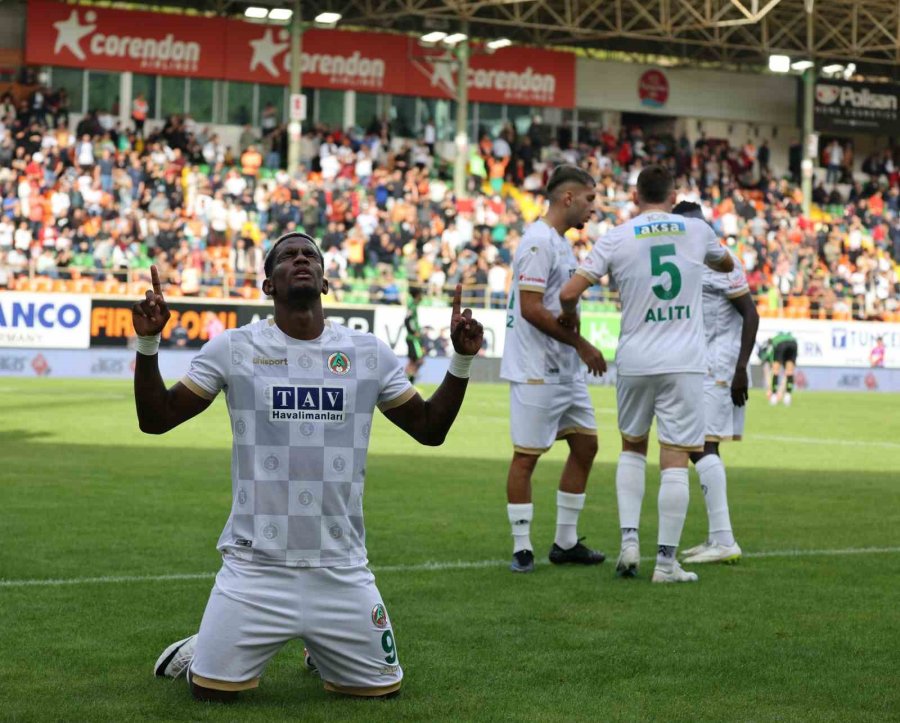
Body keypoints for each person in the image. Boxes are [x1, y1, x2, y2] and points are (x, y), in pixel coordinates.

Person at [134, 232, 483, 702]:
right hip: (256, 568)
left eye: (310, 255)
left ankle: (324, 643)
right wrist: (149, 340)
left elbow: (429, 428)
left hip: (339, 567)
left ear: (324, 281)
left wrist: (461, 360)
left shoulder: (367, 353)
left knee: (381, 692)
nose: (301, 259)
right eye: (287, 256)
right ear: (268, 285)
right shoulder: (234, 348)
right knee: (214, 694)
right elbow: (156, 419)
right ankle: (203, 646)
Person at [559, 164, 734, 583]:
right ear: (673, 197)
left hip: (635, 359)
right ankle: (667, 563)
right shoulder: (696, 231)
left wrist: (570, 322)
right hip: (684, 361)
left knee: (632, 447)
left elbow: (569, 292)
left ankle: (629, 543)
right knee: (675, 456)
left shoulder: (617, 236)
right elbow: (726, 265)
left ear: (635, 197)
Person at [500, 164, 608, 574]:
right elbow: (530, 309)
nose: (592, 209)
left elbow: (556, 302)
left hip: (562, 369)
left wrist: (571, 320)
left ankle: (565, 542)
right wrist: (580, 343)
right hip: (536, 369)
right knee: (526, 457)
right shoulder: (537, 241)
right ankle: (522, 546)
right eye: (590, 199)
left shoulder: (561, 244)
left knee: (586, 445)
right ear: (568, 198)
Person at [672, 201, 760, 565]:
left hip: (720, 365)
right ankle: (716, 537)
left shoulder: (723, 260)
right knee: (705, 446)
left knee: (700, 447)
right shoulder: (687, 262)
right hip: (700, 363)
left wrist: (741, 368)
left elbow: (750, 313)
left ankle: (725, 539)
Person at [769, 331, 798, 405]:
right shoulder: (791, 338)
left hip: (781, 345)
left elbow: (770, 356)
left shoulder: (775, 340)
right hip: (793, 344)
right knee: (790, 372)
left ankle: (774, 396)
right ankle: (787, 396)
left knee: (775, 371)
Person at [405, 286, 425, 383]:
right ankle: (409, 382)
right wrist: (414, 332)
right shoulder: (412, 305)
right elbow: (407, 320)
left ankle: (406, 382)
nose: (422, 296)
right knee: (419, 360)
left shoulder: (414, 305)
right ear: (417, 295)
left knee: (412, 361)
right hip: (413, 338)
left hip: (413, 338)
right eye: (421, 294)